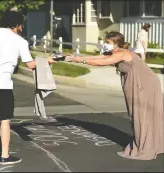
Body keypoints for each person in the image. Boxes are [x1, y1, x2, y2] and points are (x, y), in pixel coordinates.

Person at [0, 11, 55, 165]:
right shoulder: (20, 41)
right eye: (21, 25)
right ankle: (4, 156)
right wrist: (47, 61)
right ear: (17, 25)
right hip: (2, 86)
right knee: (4, 121)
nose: (22, 28)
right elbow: (30, 64)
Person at [66, 32, 164, 160]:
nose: (105, 45)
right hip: (138, 82)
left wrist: (80, 60)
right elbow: (99, 57)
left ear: (117, 43)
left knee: (141, 114)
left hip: (143, 84)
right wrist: (76, 57)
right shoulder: (115, 52)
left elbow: (104, 62)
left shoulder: (122, 53)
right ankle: (153, 144)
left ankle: (145, 147)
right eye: (105, 42)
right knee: (139, 114)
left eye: (108, 42)